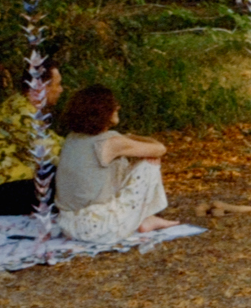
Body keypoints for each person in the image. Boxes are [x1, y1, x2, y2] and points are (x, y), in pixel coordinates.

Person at [52, 86, 178, 245]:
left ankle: (145, 218)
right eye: (114, 104)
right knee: (149, 162)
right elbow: (160, 149)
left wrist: (125, 139)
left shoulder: (72, 138)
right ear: (102, 110)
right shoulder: (110, 141)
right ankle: (146, 217)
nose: (118, 107)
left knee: (119, 166)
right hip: (99, 228)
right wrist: (132, 137)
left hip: (68, 225)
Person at [0, 59, 64, 216]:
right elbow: (52, 153)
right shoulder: (22, 115)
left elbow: (54, 141)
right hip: (1, 194)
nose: (61, 90)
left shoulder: (20, 105)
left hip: (4, 189)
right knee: (72, 182)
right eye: (57, 85)